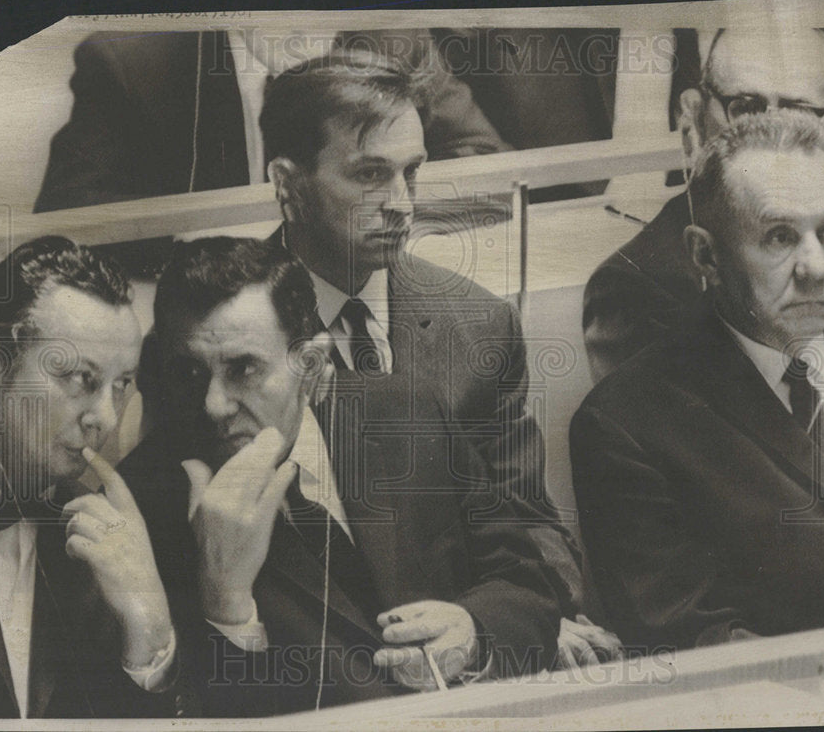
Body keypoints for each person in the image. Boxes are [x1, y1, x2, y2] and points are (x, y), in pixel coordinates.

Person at [261, 46, 620, 669]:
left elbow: (529, 526)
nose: (402, 204)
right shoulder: (231, 335)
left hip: (462, 654)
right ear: (288, 184)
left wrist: (505, 623)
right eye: (369, 175)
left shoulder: (478, 326)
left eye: (412, 173)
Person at [118, 236, 565, 715]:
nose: (213, 406)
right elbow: (186, 713)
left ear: (311, 366)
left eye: (243, 369)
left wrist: (473, 633)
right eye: (188, 373)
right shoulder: (141, 507)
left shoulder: (407, 413)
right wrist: (225, 603)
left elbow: (527, 581)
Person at [570, 111, 824, 652]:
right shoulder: (626, 424)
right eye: (780, 237)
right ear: (705, 255)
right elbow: (693, 638)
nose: (817, 268)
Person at [0, 237, 195, 717]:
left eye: (121, 385)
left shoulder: (99, 533)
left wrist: (151, 631)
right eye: (81, 379)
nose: (106, 419)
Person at [582, 28, 824, 384]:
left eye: (799, 115)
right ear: (695, 119)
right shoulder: (636, 289)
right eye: (745, 109)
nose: (770, 140)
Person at [33, 29, 508, 214]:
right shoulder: (132, 61)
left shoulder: (391, 40)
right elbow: (71, 215)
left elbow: (490, 169)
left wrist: (365, 213)